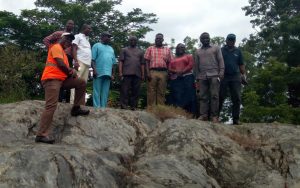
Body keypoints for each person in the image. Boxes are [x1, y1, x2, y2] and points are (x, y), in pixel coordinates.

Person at [36, 33, 90, 144]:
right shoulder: (56, 47)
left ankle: (76, 108)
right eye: (68, 40)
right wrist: (71, 71)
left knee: (81, 82)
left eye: (71, 42)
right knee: (51, 106)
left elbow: (64, 68)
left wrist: (72, 72)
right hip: (52, 79)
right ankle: (41, 135)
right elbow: (60, 65)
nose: (70, 44)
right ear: (63, 39)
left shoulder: (64, 53)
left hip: (62, 80)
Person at [194, 32, 224, 123]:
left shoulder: (216, 48)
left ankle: (214, 116)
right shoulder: (197, 51)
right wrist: (197, 78)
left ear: (209, 38)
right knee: (202, 96)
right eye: (203, 38)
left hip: (214, 75)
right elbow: (196, 65)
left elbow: (220, 60)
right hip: (202, 76)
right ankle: (203, 115)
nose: (205, 40)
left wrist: (221, 72)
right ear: (201, 40)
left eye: (207, 38)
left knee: (214, 96)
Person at [43, 20, 75, 103]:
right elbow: (46, 39)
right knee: (58, 77)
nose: (71, 25)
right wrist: (51, 48)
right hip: (57, 56)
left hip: (68, 58)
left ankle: (67, 101)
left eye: (72, 24)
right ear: (66, 24)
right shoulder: (59, 33)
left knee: (68, 77)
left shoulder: (72, 37)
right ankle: (58, 99)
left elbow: (72, 48)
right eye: (69, 23)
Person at [219, 34, 246, 125]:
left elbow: (241, 64)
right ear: (226, 40)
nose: (231, 41)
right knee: (220, 96)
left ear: (234, 41)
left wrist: (244, 75)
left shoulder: (238, 51)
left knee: (236, 98)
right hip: (223, 76)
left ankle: (236, 119)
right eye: (229, 39)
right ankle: (215, 117)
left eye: (232, 40)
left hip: (235, 76)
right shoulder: (221, 50)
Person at [144, 33, 173, 106]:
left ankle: (160, 109)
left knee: (161, 91)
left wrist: (168, 72)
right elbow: (146, 61)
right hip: (152, 71)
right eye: (157, 38)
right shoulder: (150, 48)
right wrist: (147, 72)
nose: (158, 40)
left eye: (160, 38)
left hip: (163, 72)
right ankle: (151, 109)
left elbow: (170, 62)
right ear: (155, 39)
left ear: (163, 40)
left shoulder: (167, 49)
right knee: (151, 91)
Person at [168, 43, 197, 115]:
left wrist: (182, 71)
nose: (181, 49)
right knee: (177, 94)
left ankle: (190, 113)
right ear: (176, 49)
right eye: (179, 47)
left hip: (188, 77)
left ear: (185, 49)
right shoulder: (173, 59)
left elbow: (191, 65)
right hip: (176, 79)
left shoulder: (189, 56)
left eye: (183, 47)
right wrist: (176, 72)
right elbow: (169, 68)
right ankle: (179, 112)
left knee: (189, 94)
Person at [91, 32, 116, 110]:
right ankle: (96, 108)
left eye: (109, 37)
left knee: (105, 92)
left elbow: (113, 63)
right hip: (98, 72)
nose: (108, 38)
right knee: (97, 90)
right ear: (102, 37)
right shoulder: (96, 45)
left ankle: (103, 108)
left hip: (108, 73)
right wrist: (94, 70)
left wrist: (113, 74)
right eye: (107, 36)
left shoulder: (111, 48)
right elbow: (92, 60)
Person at [119, 36, 145, 110]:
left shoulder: (141, 51)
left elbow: (142, 64)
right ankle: (124, 105)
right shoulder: (124, 50)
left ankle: (134, 106)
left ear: (137, 41)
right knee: (125, 90)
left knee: (136, 91)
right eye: (131, 40)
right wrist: (120, 72)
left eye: (134, 40)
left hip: (137, 73)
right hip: (126, 73)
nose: (133, 41)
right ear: (129, 41)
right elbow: (121, 61)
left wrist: (143, 74)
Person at [70, 24, 92, 103]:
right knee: (76, 81)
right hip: (79, 62)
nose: (90, 30)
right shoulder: (78, 36)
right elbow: (74, 48)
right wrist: (75, 61)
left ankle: (80, 103)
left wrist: (89, 68)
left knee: (83, 84)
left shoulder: (87, 40)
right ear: (84, 29)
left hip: (86, 64)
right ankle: (72, 102)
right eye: (89, 28)